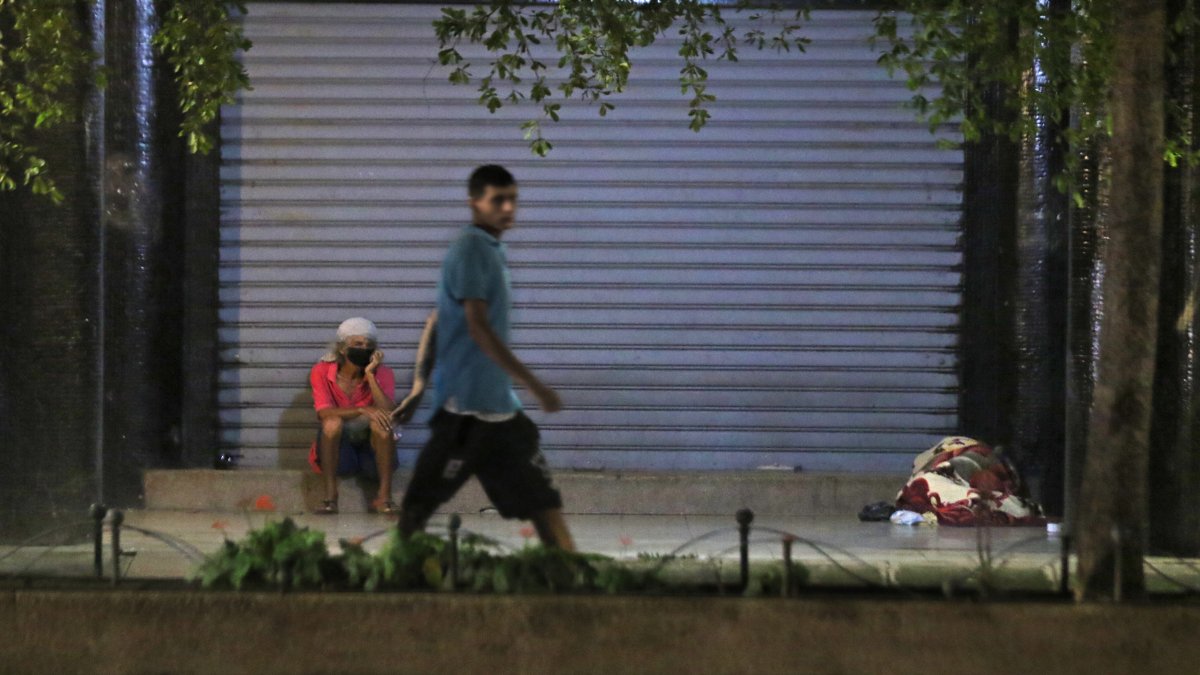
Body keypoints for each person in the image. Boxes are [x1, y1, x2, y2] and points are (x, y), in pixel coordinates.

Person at [397, 165, 576, 550]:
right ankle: (398, 589)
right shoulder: (471, 247)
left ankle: (572, 583)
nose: (508, 208)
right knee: (417, 509)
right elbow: (476, 327)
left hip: (500, 412)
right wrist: (535, 384)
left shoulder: (492, 248)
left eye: (512, 199)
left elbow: (437, 319)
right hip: (464, 413)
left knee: (544, 503)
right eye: (498, 200)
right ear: (474, 203)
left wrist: (416, 388)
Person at [307, 317, 398, 515]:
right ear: (342, 348)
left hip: (371, 452)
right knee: (331, 423)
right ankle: (330, 498)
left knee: (382, 425)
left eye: (368, 345)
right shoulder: (321, 371)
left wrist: (371, 375)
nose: (363, 349)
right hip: (340, 452)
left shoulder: (384, 373)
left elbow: (388, 412)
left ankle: (385, 497)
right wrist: (361, 410)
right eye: (357, 344)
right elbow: (323, 413)